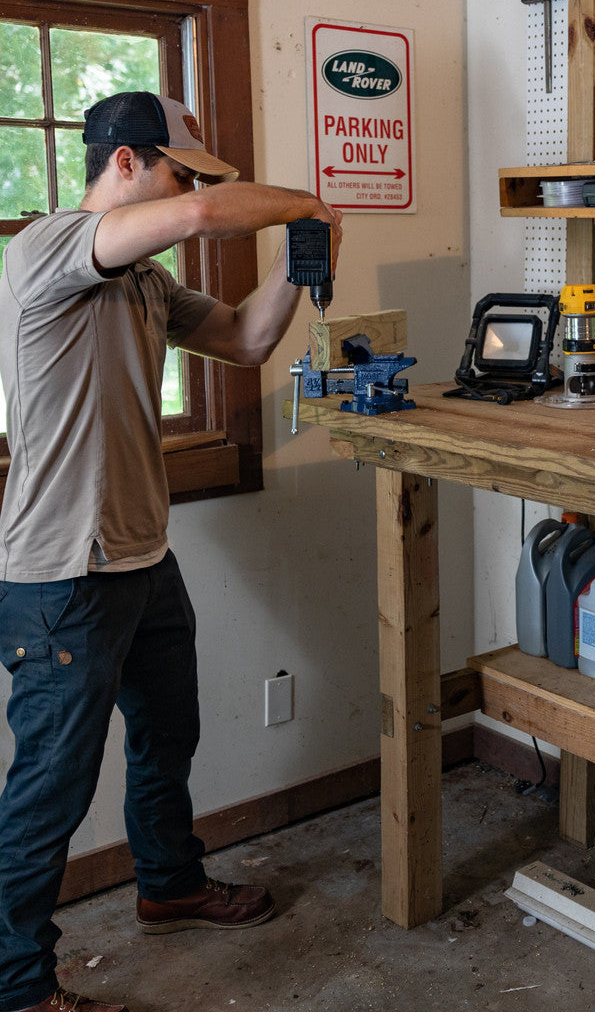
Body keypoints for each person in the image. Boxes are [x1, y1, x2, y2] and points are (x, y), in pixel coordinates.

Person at [0, 92, 343, 1012]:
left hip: (142, 556)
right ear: (125, 164)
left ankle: (168, 883)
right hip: (62, 572)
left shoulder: (145, 283)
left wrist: (299, 262)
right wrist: (301, 199)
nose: (191, 192)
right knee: (51, 789)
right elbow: (195, 215)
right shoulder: (44, 250)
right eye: (180, 168)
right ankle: (17, 987)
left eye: (191, 177)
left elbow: (247, 338)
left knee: (167, 736)